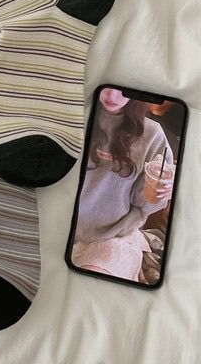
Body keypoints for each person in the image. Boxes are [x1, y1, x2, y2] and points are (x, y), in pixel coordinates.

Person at [71, 88, 173, 282]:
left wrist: (163, 191)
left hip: (116, 235)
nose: (111, 96)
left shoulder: (152, 134)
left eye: (122, 90)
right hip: (62, 226)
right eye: (107, 86)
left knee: (91, 284)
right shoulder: (76, 116)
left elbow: (143, 203)